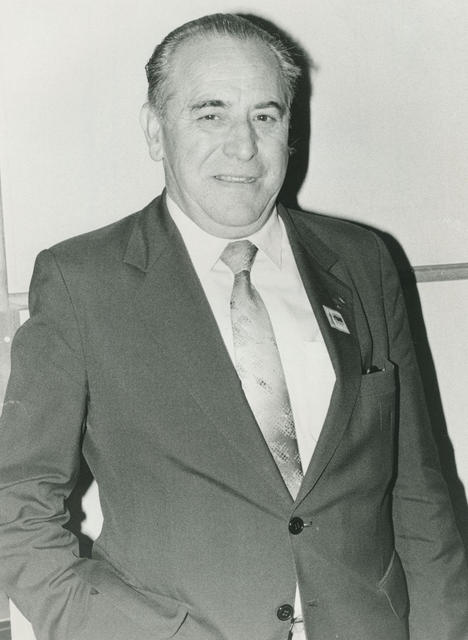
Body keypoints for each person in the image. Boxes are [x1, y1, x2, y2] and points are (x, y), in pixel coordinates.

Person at [0, 12, 467, 640]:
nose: (244, 147)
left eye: (265, 116)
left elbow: (419, 492)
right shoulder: (82, 282)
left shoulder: (362, 260)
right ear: (156, 131)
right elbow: (16, 504)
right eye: (211, 114)